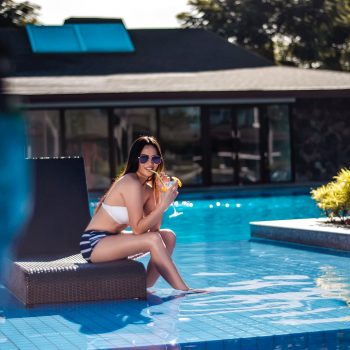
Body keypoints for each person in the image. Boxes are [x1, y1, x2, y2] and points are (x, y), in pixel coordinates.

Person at [80, 135, 199, 292]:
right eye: (144, 158)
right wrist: (163, 204)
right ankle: (184, 290)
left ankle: (145, 287)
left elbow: (155, 229)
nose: (150, 163)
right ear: (136, 160)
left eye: (155, 159)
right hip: (94, 243)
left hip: (114, 239)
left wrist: (159, 193)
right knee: (153, 239)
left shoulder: (148, 189)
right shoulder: (130, 182)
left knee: (168, 236)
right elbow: (138, 229)